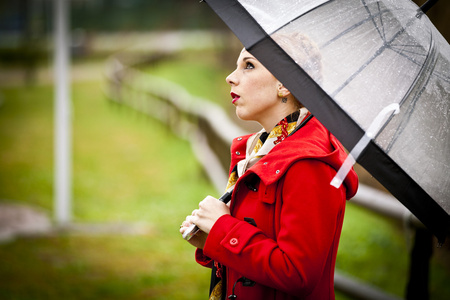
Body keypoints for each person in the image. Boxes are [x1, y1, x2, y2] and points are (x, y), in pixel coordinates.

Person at [180, 33, 359, 300]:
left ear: (284, 84)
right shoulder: (260, 151)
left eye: (248, 66)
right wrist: (212, 240)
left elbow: (297, 274)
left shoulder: (309, 164)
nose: (231, 76)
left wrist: (222, 227)